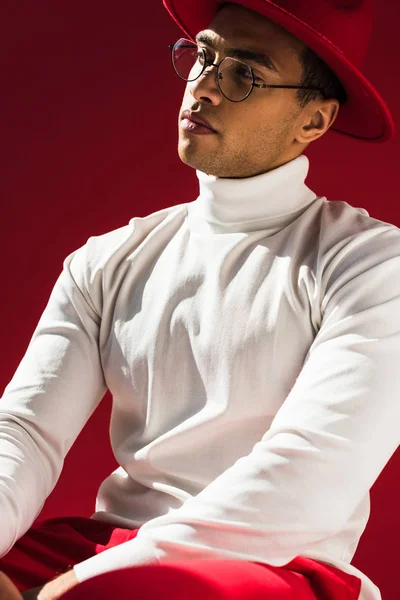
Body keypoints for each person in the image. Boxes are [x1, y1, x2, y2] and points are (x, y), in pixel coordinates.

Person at [0, 0, 398, 599]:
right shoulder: (105, 260)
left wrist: (89, 583)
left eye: (246, 74)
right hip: (106, 547)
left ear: (312, 121)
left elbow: (313, 473)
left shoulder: (371, 264)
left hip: (272, 563)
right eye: (203, 55)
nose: (205, 86)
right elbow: (25, 433)